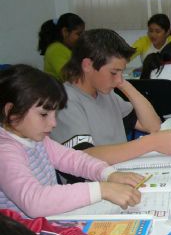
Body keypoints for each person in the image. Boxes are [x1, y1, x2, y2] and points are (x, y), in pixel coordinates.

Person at [0, 64, 143, 218]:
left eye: (55, 114)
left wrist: (107, 174)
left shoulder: (36, 138)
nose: (53, 123)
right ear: (11, 112)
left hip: (47, 221)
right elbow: (34, 201)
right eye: (43, 114)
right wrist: (101, 190)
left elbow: (72, 159)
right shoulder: (5, 152)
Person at [51, 29, 171, 165]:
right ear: (87, 65)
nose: (118, 80)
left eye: (121, 72)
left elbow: (153, 126)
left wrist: (124, 85)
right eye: (113, 72)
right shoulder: (66, 100)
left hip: (119, 172)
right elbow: (84, 157)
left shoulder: (106, 93)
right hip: (91, 183)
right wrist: (150, 143)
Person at [37, 13, 85, 81]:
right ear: (65, 32)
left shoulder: (67, 48)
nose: (82, 37)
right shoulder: (56, 50)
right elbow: (70, 77)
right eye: (78, 34)